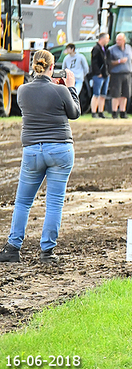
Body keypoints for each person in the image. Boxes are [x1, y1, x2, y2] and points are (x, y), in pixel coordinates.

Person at [0, 50, 80, 264]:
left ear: (34, 66)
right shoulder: (61, 91)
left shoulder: (23, 91)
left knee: (23, 202)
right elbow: (75, 113)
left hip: (33, 150)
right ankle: (46, 252)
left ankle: (13, 248)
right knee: (54, 203)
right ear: (52, 67)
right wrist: (70, 87)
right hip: (60, 150)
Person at [108, 33, 132, 119]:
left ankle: (123, 111)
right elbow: (109, 63)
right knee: (116, 94)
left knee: (125, 94)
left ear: (124, 40)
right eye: (117, 40)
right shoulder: (111, 50)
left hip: (127, 74)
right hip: (116, 74)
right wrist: (119, 61)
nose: (118, 41)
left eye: (120, 40)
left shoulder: (129, 49)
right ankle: (114, 112)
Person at [90, 33, 110, 118]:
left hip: (105, 74)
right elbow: (94, 62)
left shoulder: (105, 49)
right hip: (99, 75)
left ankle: (101, 111)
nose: (108, 40)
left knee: (103, 95)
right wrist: (98, 73)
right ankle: (94, 111)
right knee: (96, 94)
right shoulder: (96, 49)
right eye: (107, 38)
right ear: (102, 39)